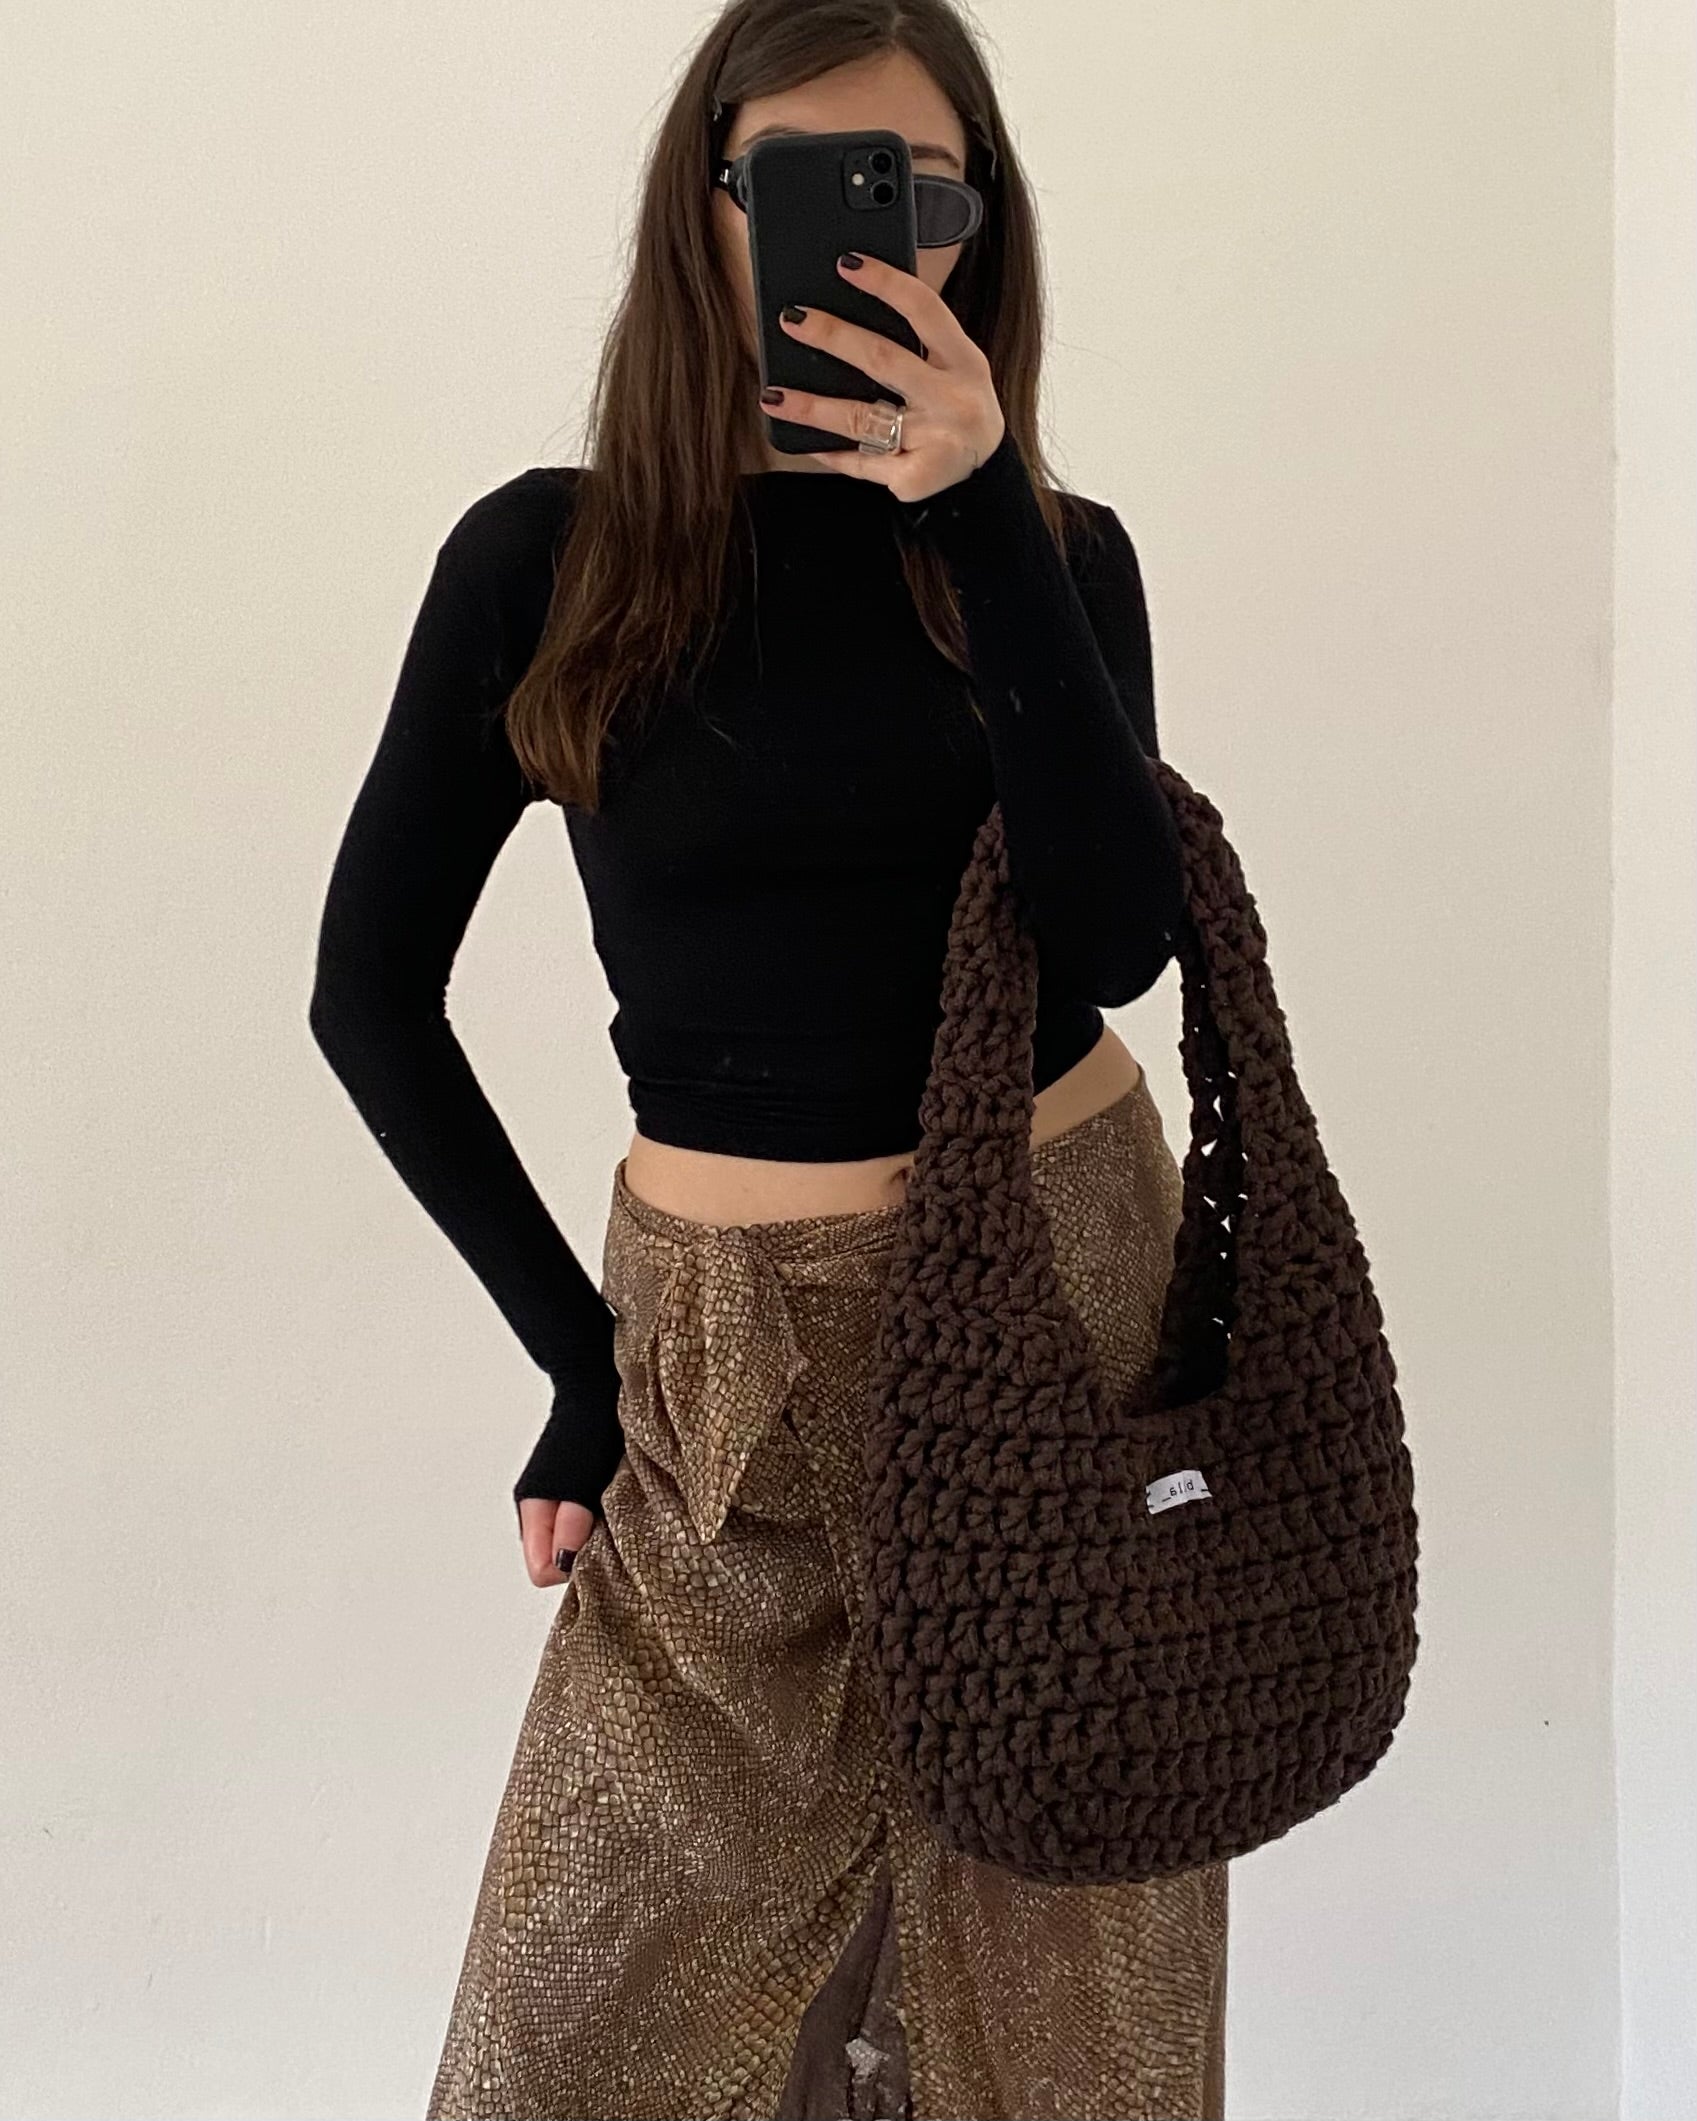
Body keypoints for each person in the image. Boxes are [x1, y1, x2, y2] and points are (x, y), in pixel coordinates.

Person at [308, 2, 1228, 2115]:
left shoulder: (1059, 558)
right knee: (574, 2039)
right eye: (798, 183)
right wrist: (585, 1362)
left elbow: (1117, 942)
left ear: (982, 229)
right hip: (721, 1350)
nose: (866, 235)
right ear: (702, 210)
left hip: (1063, 1308)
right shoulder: (546, 560)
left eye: (924, 193)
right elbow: (368, 993)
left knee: (1066, 2022)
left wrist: (980, 516)